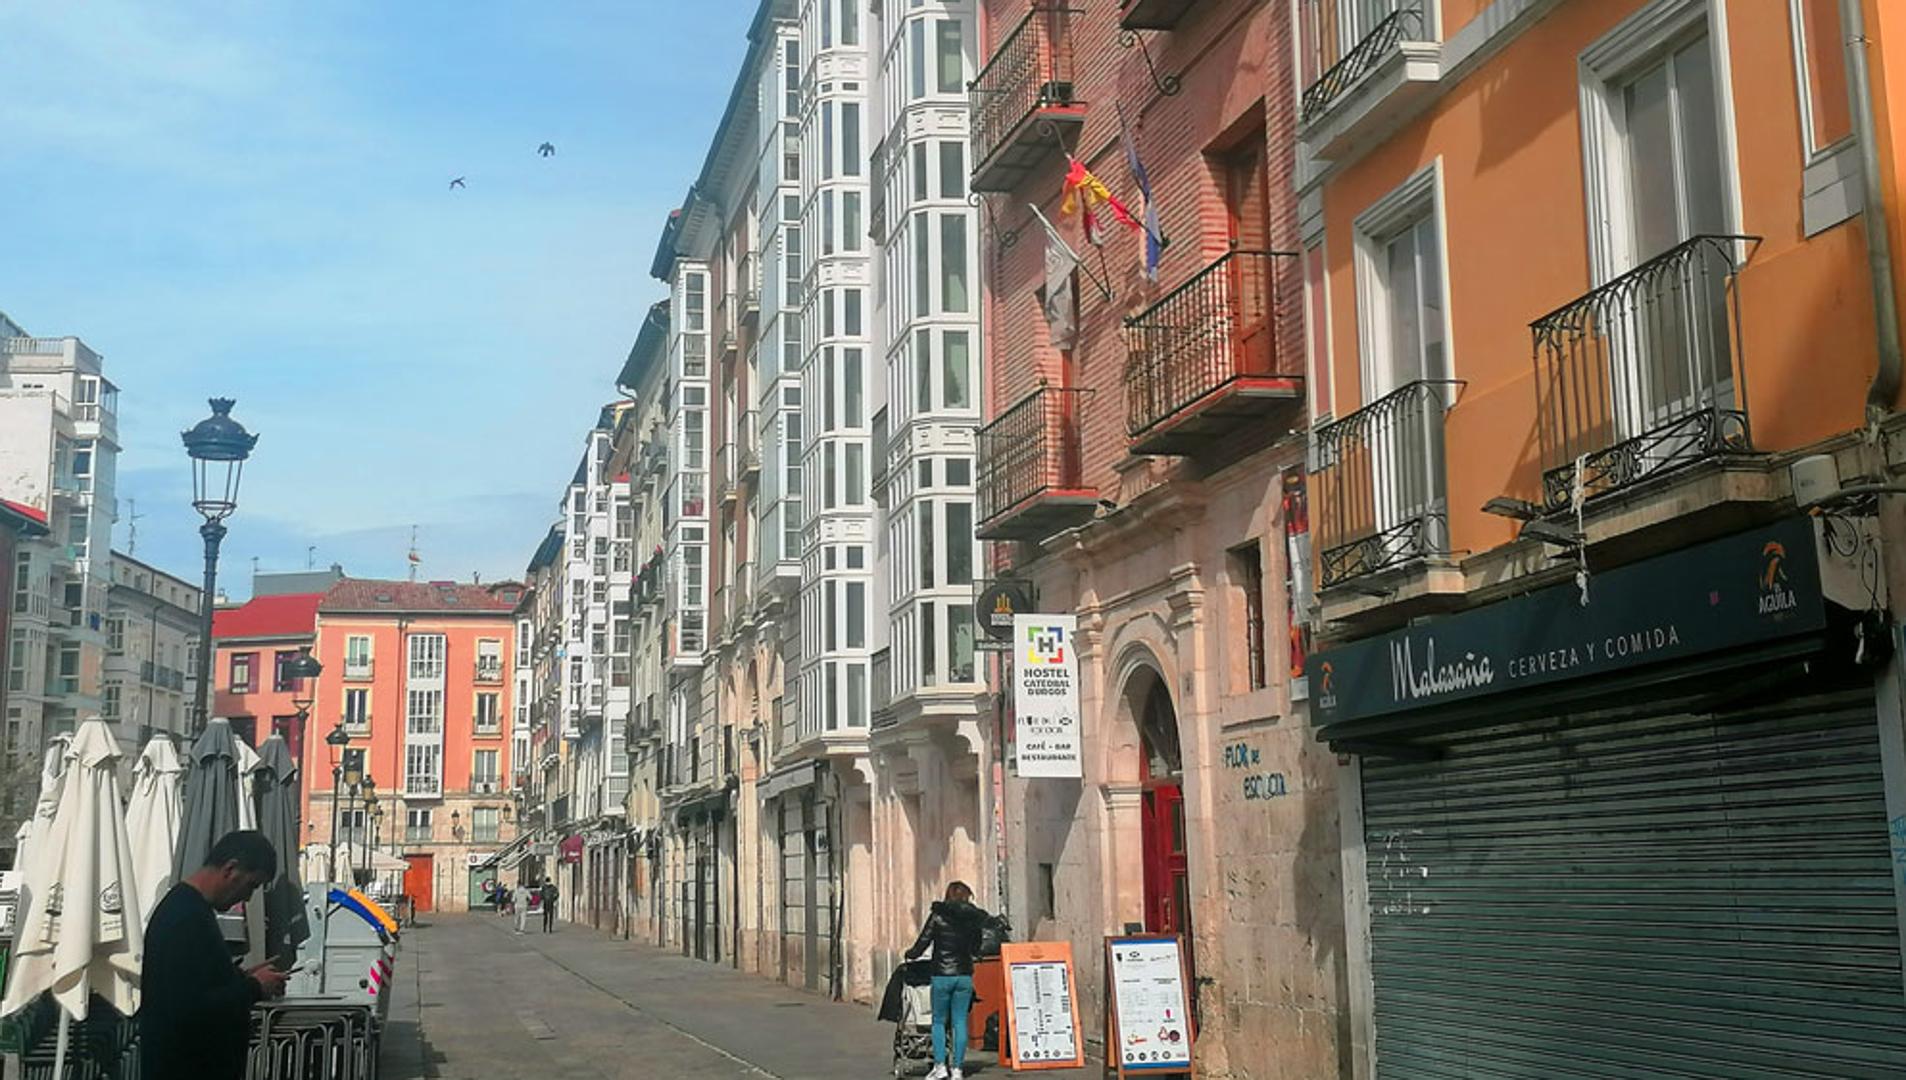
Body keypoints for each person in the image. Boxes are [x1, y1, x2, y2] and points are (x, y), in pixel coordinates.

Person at [139, 830, 290, 1080]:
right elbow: (188, 1008)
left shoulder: (187, 908)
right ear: (231, 869)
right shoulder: (186, 917)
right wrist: (254, 987)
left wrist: (238, 977)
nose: (249, 896)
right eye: (251, 884)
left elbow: (194, 984)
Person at [904, 881, 992, 1080]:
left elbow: (923, 941)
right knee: (960, 1022)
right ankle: (958, 1070)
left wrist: (911, 954)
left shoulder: (938, 915)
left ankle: (940, 1066)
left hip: (942, 976)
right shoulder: (972, 918)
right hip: (963, 976)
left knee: (938, 1022)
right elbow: (977, 946)